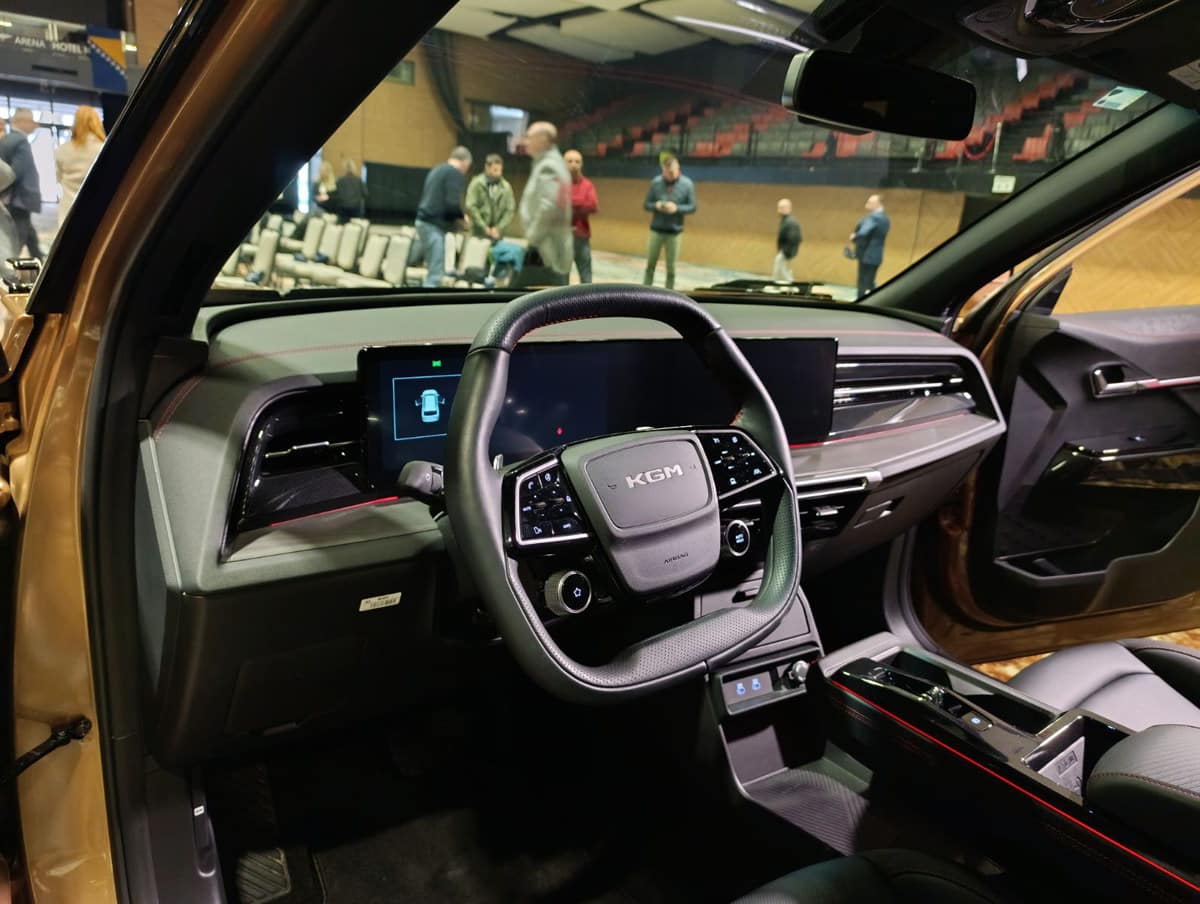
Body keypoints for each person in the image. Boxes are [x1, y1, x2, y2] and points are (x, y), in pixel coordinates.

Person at [516, 121, 572, 287]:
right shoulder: (550, 163)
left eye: (529, 137)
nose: (525, 141)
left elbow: (548, 206)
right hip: (545, 246)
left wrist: (533, 236)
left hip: (544, 247)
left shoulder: (549, 166)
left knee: (518, 295)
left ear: (543, 139)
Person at [415, 146, 472, 288]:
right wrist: (462, 217)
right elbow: (451, 204)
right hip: (433, 226)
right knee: (435, 275)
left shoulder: (436, 169)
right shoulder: (454, 173)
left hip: (422, 222)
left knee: (431, 269)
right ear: (465, 163)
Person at [642, 153, 696, 290]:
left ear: (678, 168)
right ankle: (645, 292)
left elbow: (693, 207)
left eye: (672, 172)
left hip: (674, 232)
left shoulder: (687, 184)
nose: (669, 175)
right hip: (656, 230)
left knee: (671, 269)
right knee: (650, 265)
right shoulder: (656, 182)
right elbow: (646, 204)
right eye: (666, 172)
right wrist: (656, 205)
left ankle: (669, 294)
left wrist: (677, 208)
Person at [0, 108, 44, 258]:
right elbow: (15, 172)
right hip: (19, 199)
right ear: (22, 122)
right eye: (31, 121)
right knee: (17, 238)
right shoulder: (20, 141)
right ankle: (7, 266)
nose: (35, 125)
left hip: (12, 198)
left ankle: (39, 258)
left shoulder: (7, 139)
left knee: (28, 233)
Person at [54, 105, 105, 227]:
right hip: (98, 208)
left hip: (69, 209)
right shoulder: (105, 148)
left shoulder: (63, 150)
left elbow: (58, 178)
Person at [564, 148, 597, 284]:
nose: (574, 164)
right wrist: (580, 202)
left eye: (577, 161)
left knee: (586, 278)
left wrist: (569, 203)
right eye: (570, 161)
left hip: (581, 237)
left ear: (581, 164)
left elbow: (593, 206)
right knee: (561, 279)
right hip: (562, 238)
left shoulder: (588, 185)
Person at [465, 153, 515, 241]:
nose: (498, 173)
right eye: (495, 170)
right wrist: (483, 227)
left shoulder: (506, 187)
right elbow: (471, 206)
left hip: (497, 234)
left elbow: (509, 210)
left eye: (500, 170)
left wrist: (498, 228)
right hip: (478, 234)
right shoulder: (477, 184)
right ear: (487, 168)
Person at [849, 193, 890, 299]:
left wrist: (854, 236)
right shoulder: (886, 218)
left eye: (870, 202)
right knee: (870, 282)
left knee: (862, 282)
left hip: (866, 255)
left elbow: (863, 232)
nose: (867, 203)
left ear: (878, 204)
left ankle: (861, 302)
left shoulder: (873, 217)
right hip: (877, 255)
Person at [773, 198, 801, 282]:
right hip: (785, 251)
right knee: (781, 269)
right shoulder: (786, 221)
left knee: (780, 269)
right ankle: (778, 284)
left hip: (786, 251)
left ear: (788, 208)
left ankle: (789, 285)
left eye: (781, 207)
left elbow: (795, 238)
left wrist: (786, 252)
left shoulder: (790, 222)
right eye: (779, 207)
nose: (779, 210)